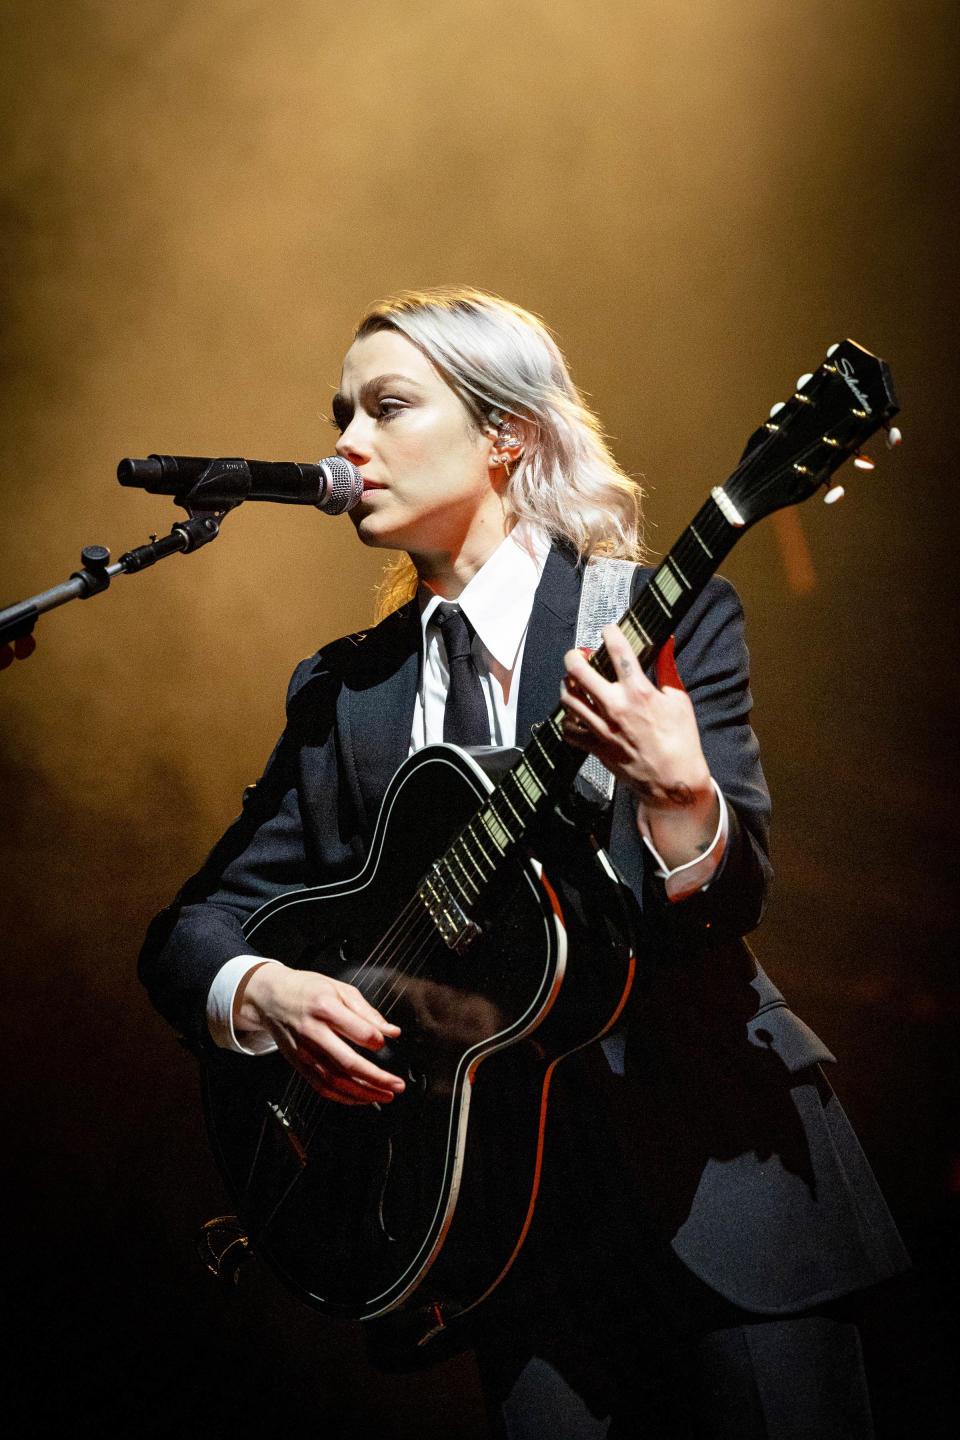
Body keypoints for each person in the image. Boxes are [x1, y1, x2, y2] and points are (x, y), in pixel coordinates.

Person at [140, 288, 907, 1437]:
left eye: (388, 407)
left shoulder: (656, 616)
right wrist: (266, 991)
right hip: (511, 1244)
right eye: (341, 413)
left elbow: (726, 900)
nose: (345, 444)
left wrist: (681, 793)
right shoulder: (345, 691)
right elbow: (191, 928)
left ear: (506, 434)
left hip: (733, 1191)